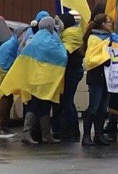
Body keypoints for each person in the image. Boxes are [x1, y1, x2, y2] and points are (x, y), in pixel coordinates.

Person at [0, 16, 66, 144]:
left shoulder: (33, 40)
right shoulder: (52, 40)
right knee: (42, 106)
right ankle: (40, 135)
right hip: (46, 80)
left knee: (36, 106)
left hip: (33, 80)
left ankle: (37, 134)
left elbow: (22, 58)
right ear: (51, 27)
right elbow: (63, 56)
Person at [79, 14, 117, 145]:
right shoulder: (94, 38)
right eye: (108, 22)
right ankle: (86, 136)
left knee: (103, 108)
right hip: (96, 76)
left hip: (107, 76)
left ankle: (99, 134)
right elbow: (91, 59)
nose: (110, 24)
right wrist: (106, 56)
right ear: (102, 24)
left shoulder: (109, 38)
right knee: (94, 107)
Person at [53, 11, 85, 142]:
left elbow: (65, 52)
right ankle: (70, 129)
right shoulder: (74, 32)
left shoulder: (70, 34)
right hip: (75, 69)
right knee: (67, 100)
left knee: (67, 101)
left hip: (72, 70)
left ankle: (71, 130)